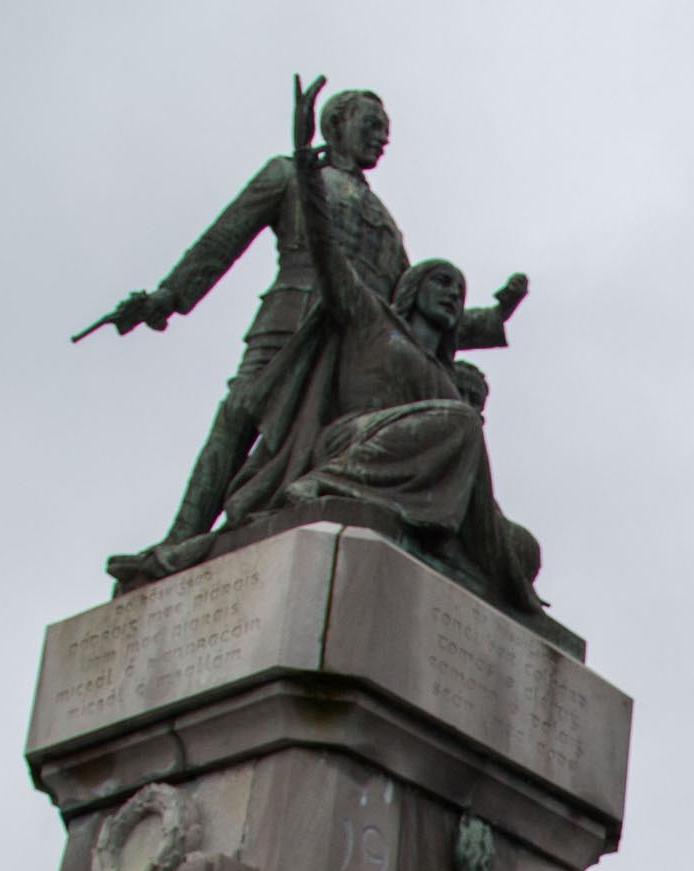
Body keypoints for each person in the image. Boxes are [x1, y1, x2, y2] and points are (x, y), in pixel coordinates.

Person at [87, 80, 526, 568]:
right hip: (290, 317)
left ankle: (299, 504)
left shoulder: (383, 217)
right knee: (239, 414)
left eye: (387, 131)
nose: (382, 138)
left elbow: (405, 303)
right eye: (373, 125)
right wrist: (167, 297)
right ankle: (178, 540)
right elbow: (225, 237)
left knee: (325, 439)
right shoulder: (289, 174)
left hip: (354, 341)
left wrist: (491, 318)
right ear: (336, 123)